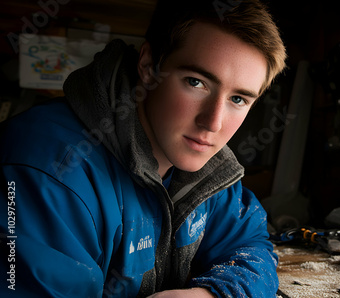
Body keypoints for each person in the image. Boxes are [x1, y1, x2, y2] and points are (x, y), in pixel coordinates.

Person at [0, 0, 286, 297]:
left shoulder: (206, 167)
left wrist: (216, 294)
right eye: (196, 82)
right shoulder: (48, 172)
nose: (213, 123)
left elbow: (250, 247)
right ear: (149, 66)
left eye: (238, 99)